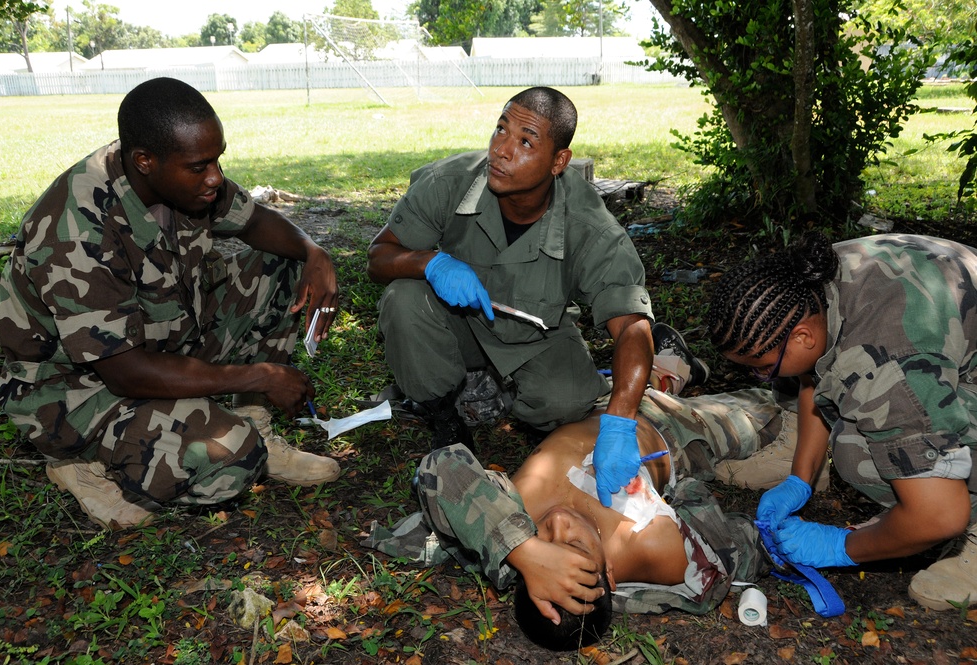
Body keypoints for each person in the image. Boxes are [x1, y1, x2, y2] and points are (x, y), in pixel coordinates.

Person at [0, 77, 341, 531]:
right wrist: (262, 374)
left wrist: (314, 252)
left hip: (163, 343)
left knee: (288, 265)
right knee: (233, 457)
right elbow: (125, 372)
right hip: (76, 390)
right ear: (145, 161)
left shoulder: (176, 176)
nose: (216, 177)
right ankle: (78, 463)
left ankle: (253, 416)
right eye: (201, 166)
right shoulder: (77, 229)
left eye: (217, 160)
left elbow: (255, 220)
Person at [366, 86, 707, 507]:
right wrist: (429, 264)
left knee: (566, 403)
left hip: (537, 336)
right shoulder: (449, 182)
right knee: (403, 300)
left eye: (526, 141)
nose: (501, 150)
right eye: (500, 130)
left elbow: (632, 327)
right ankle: (445, 418)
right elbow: (379, 257)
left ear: (558, 162)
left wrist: (619, 425)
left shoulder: (590, 227)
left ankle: (667, 368)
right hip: (458, 323)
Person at [364, 386, 790, 649]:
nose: (558, 526)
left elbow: (440, 465)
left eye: (544, 549)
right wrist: (667, 498)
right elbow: (731, 547)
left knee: (644, 372)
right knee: (767, 405)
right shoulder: (654, 547)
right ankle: (676, 372)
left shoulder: (507, 516)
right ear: (608, 568)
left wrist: (521, 548)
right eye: (573, 548)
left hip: (605, 398)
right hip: (676, 433)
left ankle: (670, 365)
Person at [706, 232, 977, 611]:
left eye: (764, 369)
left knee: (856, 453)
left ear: (802, 336)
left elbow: (941, 517)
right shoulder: (814, 281)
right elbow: (815, 374)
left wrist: (839, 547)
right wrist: (800, 479)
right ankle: (920, 486)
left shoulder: (888, 369)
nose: (762, 378)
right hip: (952, 359)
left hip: (916, 367)